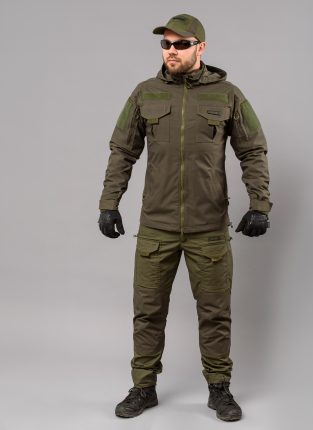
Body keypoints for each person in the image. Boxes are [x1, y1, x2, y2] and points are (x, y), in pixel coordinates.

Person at [98, 13, 272, 422]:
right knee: (147, 312)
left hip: (208, 228)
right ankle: (143, 388)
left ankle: (219, 389)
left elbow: (253, 150)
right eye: (166, 44)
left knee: (215, 313)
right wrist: (109, 203)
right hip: (156, 226)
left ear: (201, 47)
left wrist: (260, 204)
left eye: (180, 44)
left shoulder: (228, 95)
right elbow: (122, 151)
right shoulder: (144, 94)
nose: (171, 51)